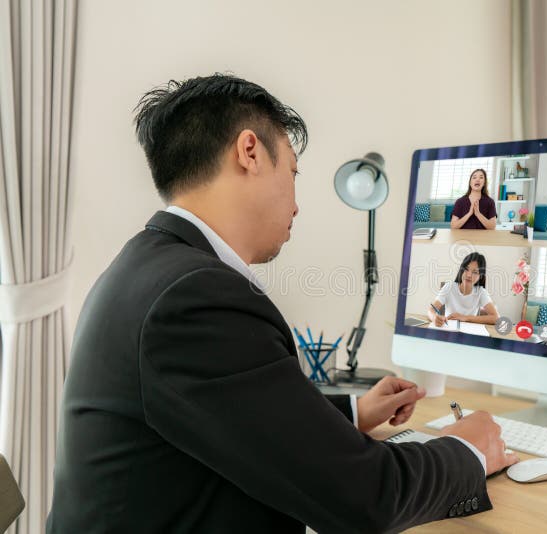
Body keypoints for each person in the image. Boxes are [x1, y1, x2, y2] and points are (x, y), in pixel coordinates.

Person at [47, 74, 517, 533]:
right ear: (249, 151)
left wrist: (351, 413)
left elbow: (234, 409)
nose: (297, 206)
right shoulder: (196, 297)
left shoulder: (146, 268)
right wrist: (467, 451)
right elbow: (366, 498)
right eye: (292, 172)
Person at [428, 253, 499, 326]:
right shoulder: (449, 287)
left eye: (475, 272)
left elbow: (496, 318)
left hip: (469, 332)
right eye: (466, 269)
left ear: (480, 277)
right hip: (449, 329)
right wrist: (434, 317)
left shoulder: (481, 292)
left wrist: (465, 318)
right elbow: (431, 310)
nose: (468, 275)